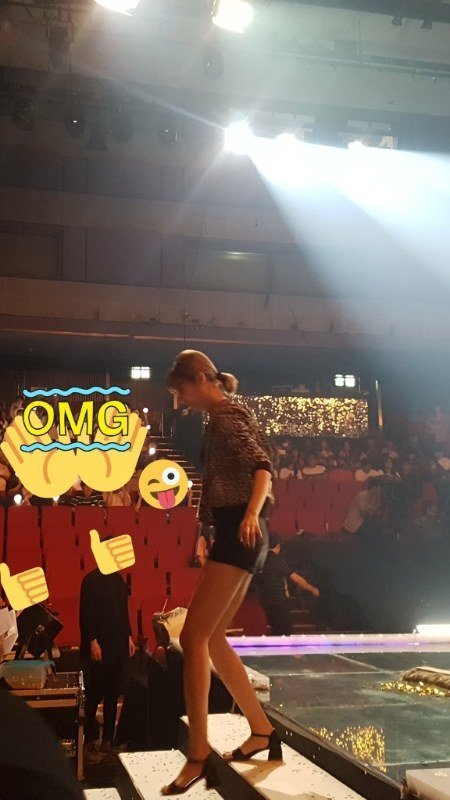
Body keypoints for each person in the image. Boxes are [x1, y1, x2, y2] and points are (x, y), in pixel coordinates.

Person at [162, 350, 281, 795]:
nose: (181, 402)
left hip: (241, 529)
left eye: (181, 392)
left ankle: (198, 754)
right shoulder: (221, 417)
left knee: (193, 638)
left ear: (198, 379)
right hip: (235, 529)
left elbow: (262, 467)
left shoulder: (228, 416)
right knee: (211, 639)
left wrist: (249, 515)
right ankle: (262, 730)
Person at [79, 562, 136, 762]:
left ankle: (108, 741)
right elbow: (86, 614)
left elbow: (123, 611)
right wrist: (92, 640)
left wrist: (128, 636)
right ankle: (89, 739)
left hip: (117, 645)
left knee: (112, 695)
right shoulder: (90, 580)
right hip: (99, 646)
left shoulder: (118, 579)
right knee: (94, 695)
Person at [259, 533, 319, 635]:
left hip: (266, 602)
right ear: (278, 546)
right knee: (285, 632)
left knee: (276, 631)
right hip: (278, 602)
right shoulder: (276, 560)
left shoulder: (261, 559)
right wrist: (312, 589)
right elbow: (296, 579)